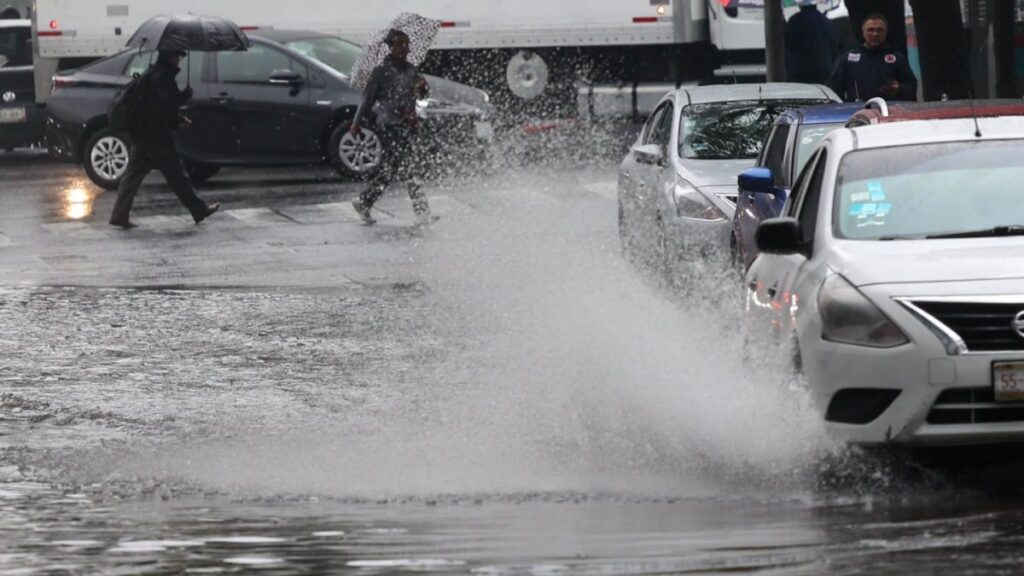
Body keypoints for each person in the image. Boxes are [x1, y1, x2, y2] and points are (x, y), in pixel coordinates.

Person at [109, 49, 219, 229]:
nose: (180, 60)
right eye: (179, 56)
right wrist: (184, 97)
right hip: (156, 135)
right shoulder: (163, 77)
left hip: (142, 132)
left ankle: (119, 214)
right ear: (172, 57)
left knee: (133, 175)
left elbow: (157, 106)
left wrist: (177, 117)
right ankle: (198, 210)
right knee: (176, 175)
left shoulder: (152, 73)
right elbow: (166, 106)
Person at [349, 29, 433, 226]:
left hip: (406, 124)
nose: (405, 48)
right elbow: (368, 99)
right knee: (407, 167)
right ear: (391, 47)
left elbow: (421, 97)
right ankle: (422, 212)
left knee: (392, 168)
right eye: (401, 44)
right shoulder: (381, 71)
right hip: (388, 124)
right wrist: (356, 122)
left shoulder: (412, 70)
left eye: (407, 44)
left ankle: (364, 201)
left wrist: (423, 88)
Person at [827, 13, 917, 102]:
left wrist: (899, 89)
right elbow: (834, 88)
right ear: (863, 32)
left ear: (886, 32)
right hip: (856, 111)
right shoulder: (848, 58)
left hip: (887, 112)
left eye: (879, 30)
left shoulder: (897, 58)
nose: (875, 34)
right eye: (870, 30)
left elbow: (912, 88)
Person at [785, 0, 836, 84]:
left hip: (800, 71)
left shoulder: (795, 20)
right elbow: (833, 44)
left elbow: (788, 43)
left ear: (801, 6)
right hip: (823, 70)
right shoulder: (826, 21)